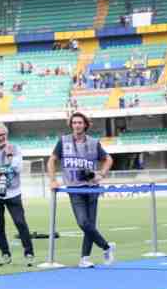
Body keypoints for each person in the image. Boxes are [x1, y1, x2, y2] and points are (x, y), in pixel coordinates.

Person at [47, 112, 116, 268]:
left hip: (92, 188)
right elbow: (52, 160)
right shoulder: (63, 141)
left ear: (85, 125)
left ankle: (84, 258)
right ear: (71, 125)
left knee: (90, 224)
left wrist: (102, 174)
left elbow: (108, 159)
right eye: (74, 122)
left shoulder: (93, 142)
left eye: (80, 122)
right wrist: (53, 180)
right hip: (74, 188)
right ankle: (106, 247)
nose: (77, 125)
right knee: (83, 222)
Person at [0, 123, 34, 267]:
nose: (1, 137)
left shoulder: (15, 149)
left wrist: (9, 157)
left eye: (3, 134)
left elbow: (17, 168)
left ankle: (29, 253)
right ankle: (5, 254)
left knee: (20, 222)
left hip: (13, 193)